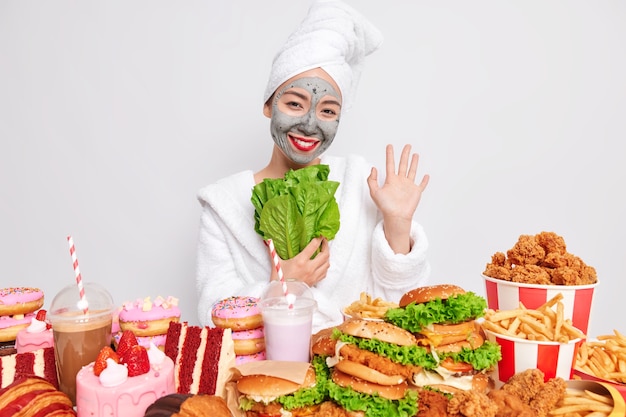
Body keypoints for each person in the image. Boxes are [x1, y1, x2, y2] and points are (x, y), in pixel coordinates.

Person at [196, 0, 430, 333]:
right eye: (294, 103)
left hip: (352, 373)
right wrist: (283, 285)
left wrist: (398, 225)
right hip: (268, 376)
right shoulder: (223, 203)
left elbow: (396, 306)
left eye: (328, 111)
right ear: (268, 104)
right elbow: (211, 312)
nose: (309, 124)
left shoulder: (360, 184)